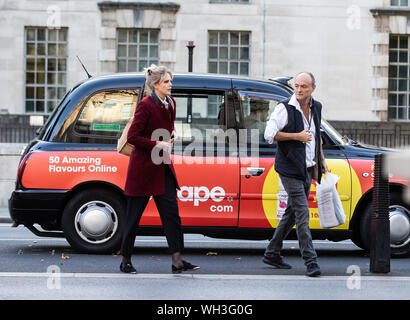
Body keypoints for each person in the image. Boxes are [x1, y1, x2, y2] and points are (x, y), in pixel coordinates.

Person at [120, 64, 199, 274]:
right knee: (133, 218)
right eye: (166, 82)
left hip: (162, 167)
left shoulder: (171, 103)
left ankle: (177, 260)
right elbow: (133, 137)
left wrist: (171, 136)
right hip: (143, 170)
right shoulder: (145, 105)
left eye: (170, 81)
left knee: (172, 215)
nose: (170, 85)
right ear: (155, 85)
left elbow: (167, 127)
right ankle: (125, 260)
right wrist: (157, 144)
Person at [263, 72, 328, 277]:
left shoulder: (316, 107)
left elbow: (316, 136)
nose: (299, 90)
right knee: (302, 212)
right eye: (297, 86)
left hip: (308, 167)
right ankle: (311, 262)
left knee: (291, 212)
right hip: (289, 168)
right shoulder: (284, 108)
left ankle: (272, 252)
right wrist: (296, 136)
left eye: (304, 87)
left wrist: (322, 159)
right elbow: (269, 135)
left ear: (313, 89)